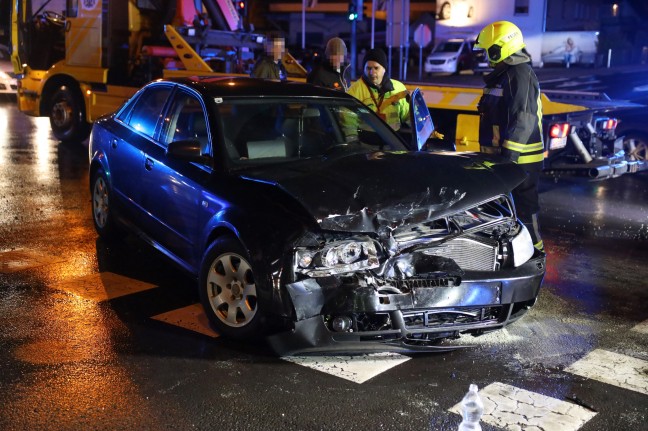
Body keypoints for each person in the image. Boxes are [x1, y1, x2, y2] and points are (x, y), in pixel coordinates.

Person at [474, 20, 545, 252]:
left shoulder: (518, 73)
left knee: (523, 210)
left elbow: (523, 119)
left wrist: (508, 158)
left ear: (500, 48)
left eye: (488, 50)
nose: (486, 55)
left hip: (520, 160)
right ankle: (514, 254)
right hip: (509, 158)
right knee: (506, 212)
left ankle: (535, 253)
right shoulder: (507, 74)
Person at [347, 47, 409, 131]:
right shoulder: (354, 91)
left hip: (393, 141)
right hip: (366, 142)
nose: (372, 72)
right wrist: (353, 141)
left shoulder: (399, 88)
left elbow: (408, 117)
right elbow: (348, 121)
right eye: (368, 68)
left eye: (376, 68)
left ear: (384, 69)